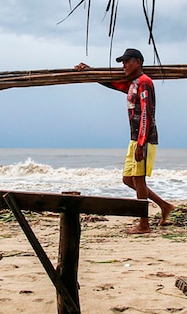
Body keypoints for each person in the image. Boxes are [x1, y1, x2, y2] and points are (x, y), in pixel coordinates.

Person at [75, 48, 174, 234]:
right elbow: (114, 85)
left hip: (143, 139)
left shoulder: (145, 83)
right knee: (128, 179)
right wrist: (90, 71)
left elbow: (147, 114)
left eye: (126, 62)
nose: (123, 66)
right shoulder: (133, 84)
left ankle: (144, 225)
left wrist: (141, 144)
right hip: (134, 138)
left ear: (137, 62)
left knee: (139, 179)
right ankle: (164, 205)